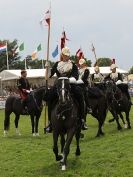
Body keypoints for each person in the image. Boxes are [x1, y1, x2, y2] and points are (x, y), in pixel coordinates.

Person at [45, 47, 86, 133]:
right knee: (49, 98)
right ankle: (50, 123)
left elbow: (76, 77)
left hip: (70, 85)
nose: (66, 57)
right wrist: (47, 68)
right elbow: (49, 75)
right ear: (62, 55)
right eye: (65, 55)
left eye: (67, 55)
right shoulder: (57, 64)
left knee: (80, 96)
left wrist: (67, 80)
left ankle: (82, 120)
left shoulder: (73, 65)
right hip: (59, 86)